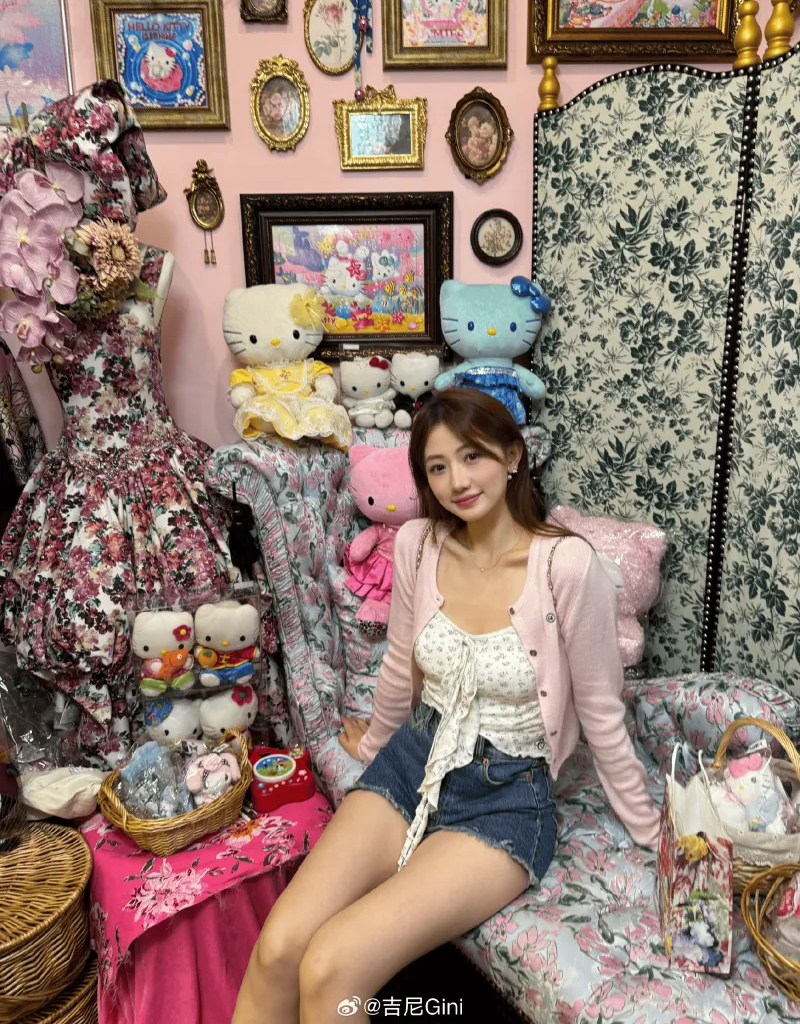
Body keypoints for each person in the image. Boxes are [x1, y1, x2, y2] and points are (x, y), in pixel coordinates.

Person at [232, 387, 660, 1024]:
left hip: (506, 795)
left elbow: (602, 713)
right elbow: (400, 668)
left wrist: (654, 833)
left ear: (512, 456)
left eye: (472, 456)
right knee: (278, 949)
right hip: (414, 758)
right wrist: (372, 743)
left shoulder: (568, 566)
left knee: (331, 966)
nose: (457, 480)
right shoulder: (419, 544)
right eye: (437, 466)